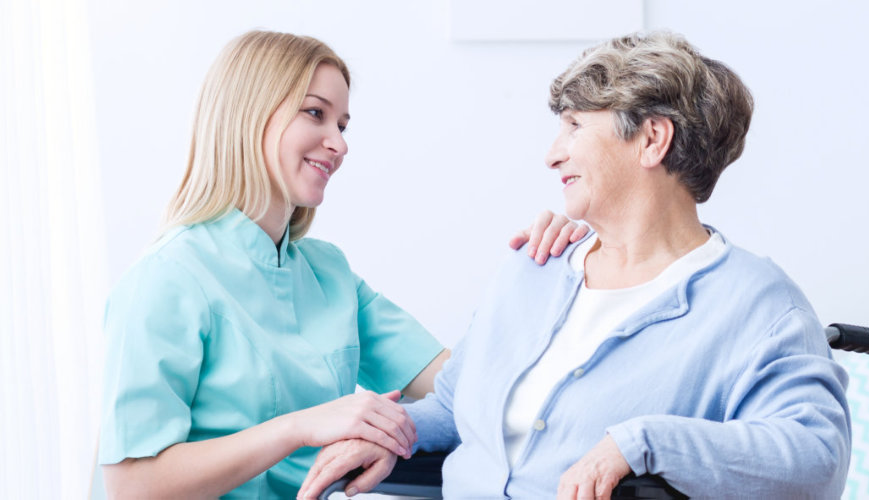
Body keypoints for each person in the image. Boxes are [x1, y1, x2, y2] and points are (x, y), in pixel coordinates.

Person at [299, 31, 851, 499]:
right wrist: (392, 432)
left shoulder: (758, 305)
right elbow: (455, 405)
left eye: (575, 126)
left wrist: (642, 442)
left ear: (652, 139)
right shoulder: (535, 268)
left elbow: (815, 455)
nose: (552, 153)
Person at [97, 30, 584, 499]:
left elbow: (470, 387)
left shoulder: (329, 274)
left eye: (343, 125)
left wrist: (542, 272)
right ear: (248, 116)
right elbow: (132, 486)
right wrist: (297, 427)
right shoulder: (166, 279)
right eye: (316, 114)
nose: (340, 143)